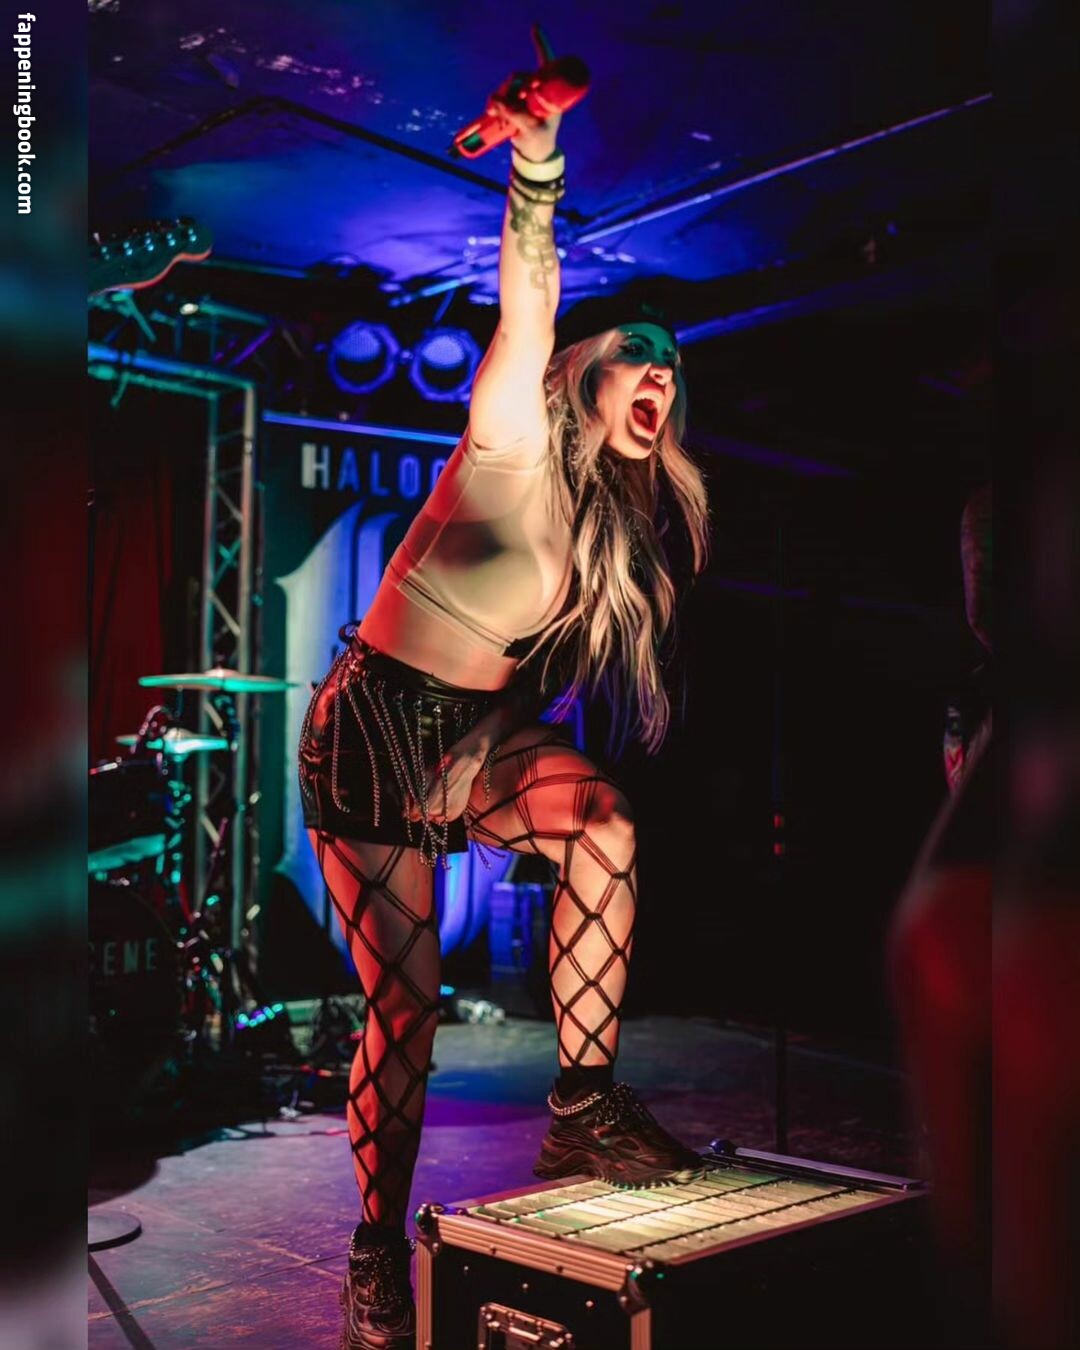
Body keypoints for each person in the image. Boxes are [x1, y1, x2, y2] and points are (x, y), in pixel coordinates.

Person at [298, 48, 710, 1350]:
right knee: (405, 1015)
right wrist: (537, 164)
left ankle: (583, 1105)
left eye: (673, 372)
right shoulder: (515, 435)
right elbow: (527, 303)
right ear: (585, 371)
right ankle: (375, 1251)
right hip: (370, 732)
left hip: (468, 739)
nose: (659, 383)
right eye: (637, 361)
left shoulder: (600, 522)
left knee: (604, 820)